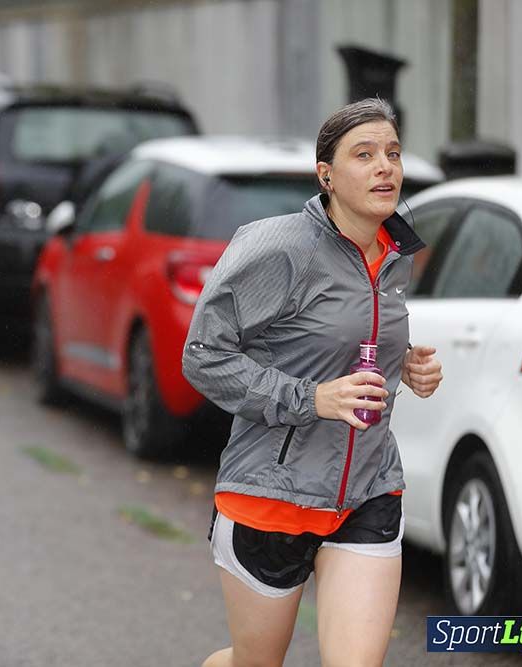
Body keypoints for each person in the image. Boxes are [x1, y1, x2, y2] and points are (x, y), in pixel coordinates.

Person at [182, 98, 444, 667]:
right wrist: (309, 398)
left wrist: (408, 367)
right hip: (271, 497)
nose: (386, 167)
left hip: (368, 493)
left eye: (393, 153)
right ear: (325, 175)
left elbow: (347, 341)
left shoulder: (397, 251)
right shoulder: (277, 247)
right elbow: (203, 354)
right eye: (365, 154)